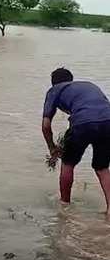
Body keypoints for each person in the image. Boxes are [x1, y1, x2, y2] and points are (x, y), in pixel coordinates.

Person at [42, 68, 110, 215]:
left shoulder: (54, 90)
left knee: (68, 162)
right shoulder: (88, 85)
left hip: (83, 123)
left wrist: (52, 148)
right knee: (102, 168)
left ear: (53, 83)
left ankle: (65, 205)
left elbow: (46, 125)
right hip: (108, 121)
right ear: (71, 80)